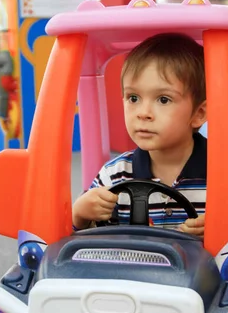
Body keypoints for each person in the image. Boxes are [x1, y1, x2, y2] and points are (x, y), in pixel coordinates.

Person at [72, 33, 208, 237]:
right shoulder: (114, 174)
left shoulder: (221, 174)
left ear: (199, 114)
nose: (143, 113)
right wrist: (79, 215)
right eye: (133, 97)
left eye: (163, 99)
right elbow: (84, 244)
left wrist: (219, 229)